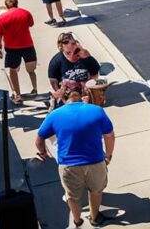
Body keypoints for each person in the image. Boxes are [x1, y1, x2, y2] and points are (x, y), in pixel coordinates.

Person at [35, 81, 114, 228]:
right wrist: (108, 155)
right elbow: (109, 135)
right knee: (96, 191)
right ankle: (95, 217)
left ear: (64, 97)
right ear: (81, 93)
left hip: (68, 165)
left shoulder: (55, 115)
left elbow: (39, 139)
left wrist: (43, 153)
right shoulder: (96, 111)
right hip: (95, 162)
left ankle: (77, 220)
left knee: (72, 196)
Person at [0, 0, 37, 105]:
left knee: (12, 71)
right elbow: (31, 24)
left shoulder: (1, 19)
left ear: (5, 4)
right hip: (28, 46)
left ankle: (17, 95)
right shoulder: (26, 13)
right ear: (17, 2)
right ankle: (35, 89)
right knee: (31, 70)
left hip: (12, 49)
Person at [48, 32, 100, 108]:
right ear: (61, 46)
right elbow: (53, 81)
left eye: (73, 43)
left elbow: (95, 74)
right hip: (67, 94)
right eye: (65, 42)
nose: (69, 45)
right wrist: (61, 96)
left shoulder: (85, 57)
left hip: (85, 92)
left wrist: (90, 88)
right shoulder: (56, 61)